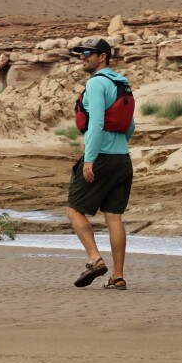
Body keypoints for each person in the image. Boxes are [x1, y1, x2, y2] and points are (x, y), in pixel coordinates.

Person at [67, 37, 135, 290]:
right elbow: (131, 125)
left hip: (102, 157)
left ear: (102, 56)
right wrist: (119, 146)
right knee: (114, 217)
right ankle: (117, 276)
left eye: (87, 52)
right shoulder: (122, 84)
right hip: (122, 158)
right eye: (81, 53)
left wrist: (90, 158)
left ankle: (95, 259)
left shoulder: (96, 83)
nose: (82, 56)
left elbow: (95, 123)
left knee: (74, 209)